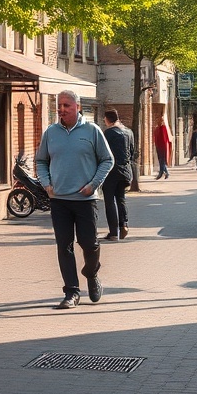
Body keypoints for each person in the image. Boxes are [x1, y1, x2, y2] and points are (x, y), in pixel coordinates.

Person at [35, 90, 114, 309]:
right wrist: (46, 183)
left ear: (77, 106)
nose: (62, 109)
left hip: (85, 200)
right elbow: (41, 160)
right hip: (59, 199)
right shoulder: (51, 132)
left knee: (89, 243)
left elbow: (107, 160)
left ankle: (91, 273)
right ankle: (71, 292)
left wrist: (93, 184)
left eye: (67, 105)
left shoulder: (92, 131)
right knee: (64, 245)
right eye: (59, 105)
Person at [101, 109, 134, 242]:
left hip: (111, 171)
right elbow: (132, 151)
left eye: (104, 119)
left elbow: (103, 152)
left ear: (108, 119)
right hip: (126, 170)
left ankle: (114, 232)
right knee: (121, 198)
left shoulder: (108, 133)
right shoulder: (129, 132)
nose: (104, 121)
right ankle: (124, 224)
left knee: (109, 200)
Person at [153, 114, 172, 179]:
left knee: (162, 160)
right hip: (158, 146)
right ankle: (165, 173)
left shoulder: (163, 128)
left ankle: (161, 173)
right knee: (161, 160)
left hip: (162, 147)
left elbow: (164, 139)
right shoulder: (158, 128)